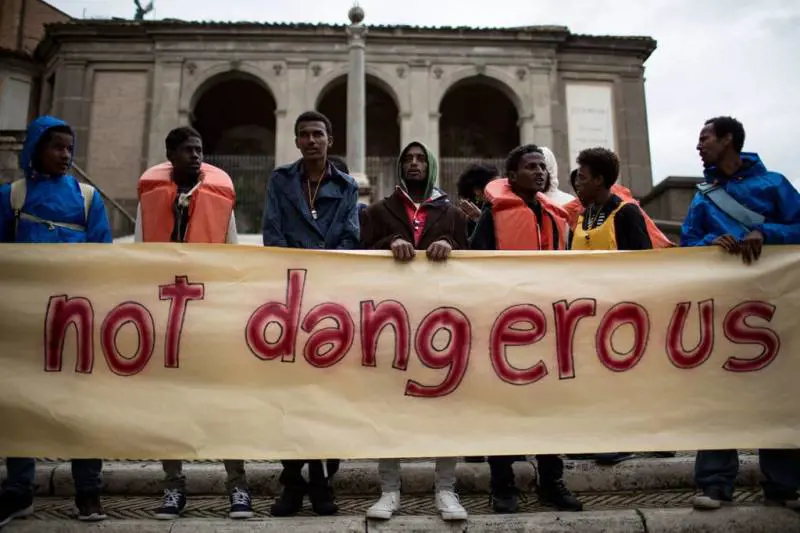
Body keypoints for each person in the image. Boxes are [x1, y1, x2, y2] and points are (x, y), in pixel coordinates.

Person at [682, 116, 800, 510]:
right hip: (720, 305)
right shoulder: (703, 195)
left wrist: (766, 233)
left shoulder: (776, 184)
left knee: (777, 393)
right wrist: (709, 241)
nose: (699, 145)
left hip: (774, 305)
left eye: (705, 138)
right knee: (718, 391)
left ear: (728, 139)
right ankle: (715, 485)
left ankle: (785, 485)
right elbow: (687, 240)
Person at [0, 115, 112, 527]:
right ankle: (17, 492)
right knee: (22, 406)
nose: (66, 155)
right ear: (35, 149)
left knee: (82, 405)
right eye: (57, 147)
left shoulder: (87, 198)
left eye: (70, 148)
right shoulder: (11, 197)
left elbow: (103, 260)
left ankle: (88, 491)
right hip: (23, 323)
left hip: (76, 323)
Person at [133, 126, 251, 520]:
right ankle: (173, 487)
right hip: (167, 319)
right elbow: (137, 256)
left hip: (210, 316)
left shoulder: (220, 198)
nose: (197, 156)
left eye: (200, 150)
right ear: (171, 155)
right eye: (188, 151)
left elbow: (233, 255)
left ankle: (237, 485)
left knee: (224, 402)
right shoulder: (149, 198)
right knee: (172, 405)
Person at [470, 144, 581, 513]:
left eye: (541, 167)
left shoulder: (555, 215)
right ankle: (502, 486)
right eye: (530, 167)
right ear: (512, 175)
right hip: (505, 327)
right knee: (502, 408)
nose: (539, 172)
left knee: (551, 408)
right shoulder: (493, 216)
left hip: (548, 326)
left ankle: (552, 481)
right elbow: (474, 266)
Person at [361, 141, 468, 521]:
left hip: (442, 324)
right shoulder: (377, 212)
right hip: (392, 325)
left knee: (445, 405)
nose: (414, 164)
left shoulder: (453, 214)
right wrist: (390, 242)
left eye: (421, 159)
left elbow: (472, 261)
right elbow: (361, 255)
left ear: (432, 165)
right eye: (407, 159)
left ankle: (446, 489)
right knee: (390, 404)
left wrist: (449, 242)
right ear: (399, 167)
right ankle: (389, 489)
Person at [261, 110, 359, 516]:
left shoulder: (346, 186)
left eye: (318, 133)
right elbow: (272, 234)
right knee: (291, 394)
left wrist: (323, 267)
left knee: (329, 395)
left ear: (330, 140)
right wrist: (299, 271)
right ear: (297, 141)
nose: (312, 140)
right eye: (304, 135)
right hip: (291, 298)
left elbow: (351, 237)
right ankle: (292, 482)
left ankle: (323, 481)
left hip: (331, 300)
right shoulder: (281, 181)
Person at [456, 163, 498, 237]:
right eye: (495, 186)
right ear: (477, 190)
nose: (500, 189)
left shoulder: (500, 209)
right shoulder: (462, 219)